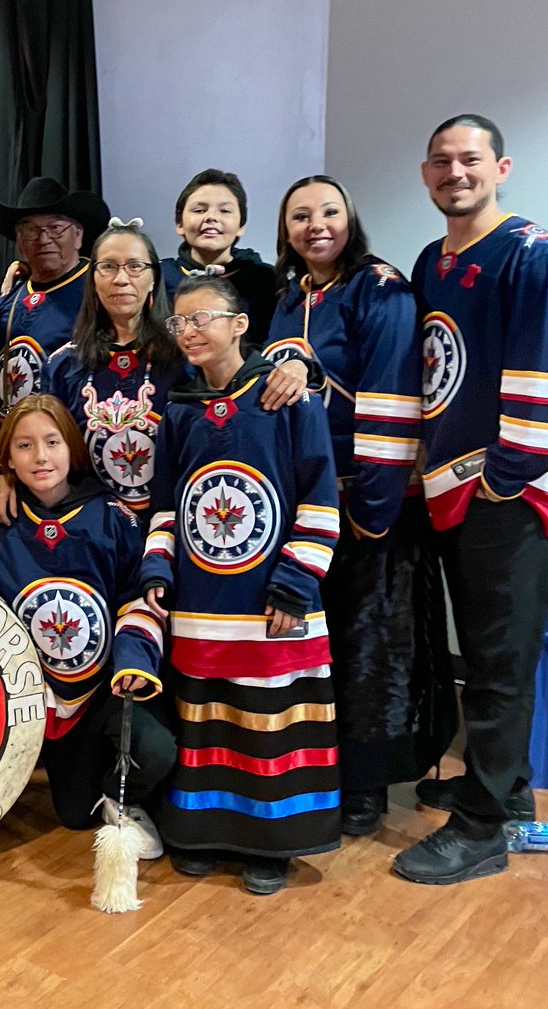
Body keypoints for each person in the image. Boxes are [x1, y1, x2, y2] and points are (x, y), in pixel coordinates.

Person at [0, 394, 175, 849]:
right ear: (7, 457)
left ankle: (121, 798)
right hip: (23, 700)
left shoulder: (113, 520)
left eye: (52, 442)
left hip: (97, 689)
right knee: (71, 816)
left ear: (73, 448)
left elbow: (135, 602)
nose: (41, 457)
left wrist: (132, 659)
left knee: (155, 751)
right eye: (25, 446)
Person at [266, 175, 456, 836]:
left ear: (351, 217)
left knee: (370, 651)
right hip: (310, 505)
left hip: (372, 506)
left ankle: (366, 787)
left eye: (328, 211)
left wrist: (371, 510)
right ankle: (321, 769)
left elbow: (391, 400)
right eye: (299, 215)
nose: (316, 225)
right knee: (322, 646)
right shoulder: (292, 297)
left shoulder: (382, 289)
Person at [142, 274, 340, 895]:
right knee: (205, 715)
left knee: (270, 718)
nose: (190, 332)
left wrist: (294, 585)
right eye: (180, 323)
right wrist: (157, 566)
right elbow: (167, 501)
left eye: (203, 319)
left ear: (240, 324)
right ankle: (204, 833)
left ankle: (270, 842)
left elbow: (320, 499)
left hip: (268, 602)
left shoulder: (287, 398)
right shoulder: (179, 405)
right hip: (203, 604)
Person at [393, 114, 548, 886]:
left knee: (499, 656)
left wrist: (508, 473)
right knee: (483, 648)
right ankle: (505, 788)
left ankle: (484, 826)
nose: (456, 172)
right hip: (453, 485)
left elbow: (536, 367)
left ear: (502, 166)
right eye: (442, 162)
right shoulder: (435, 258)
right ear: (426, 174)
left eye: (471, 159)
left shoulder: (529, 255)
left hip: (504, 493)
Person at [0, 218, 307, 524]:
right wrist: (4, 474)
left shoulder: (187, 355)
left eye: (135, 266)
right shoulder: (64, 365)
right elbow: (40, 440)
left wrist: (298, 365)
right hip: (95, 532)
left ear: (154, 276)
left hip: (177, 528)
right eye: (108, 267)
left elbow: (243, 372)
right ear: (92, 278)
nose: (121, 279)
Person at [0, 177, 110, 448]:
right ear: (19, 242)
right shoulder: (12, 295)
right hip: (12, 446)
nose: (44, 239)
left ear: (78, 235)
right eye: (30, 230)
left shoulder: (99, 289)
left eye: (55, 228)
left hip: (72, 447)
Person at [160, 169, 276, 343]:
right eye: (199, 210)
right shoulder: (159, 277)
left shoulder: (266, 280)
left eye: (225, 211)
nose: (211, 217)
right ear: (179, 223)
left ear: (241, 225)